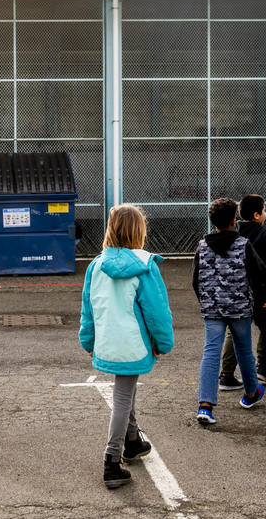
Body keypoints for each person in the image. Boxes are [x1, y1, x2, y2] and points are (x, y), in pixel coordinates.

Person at [79, 204, 174, 490]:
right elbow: (157, 311)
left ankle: (133, 441)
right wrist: (163, 343)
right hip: (135, 345)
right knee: (122, 397)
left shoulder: (95, 266)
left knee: (126, 389)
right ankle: (111, 461)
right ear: (139, 231)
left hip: (107, 343)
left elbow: (90, 307)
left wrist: (88, 340)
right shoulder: (145, 267)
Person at [192, 197, 266, 425]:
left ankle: (205, 406)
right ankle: (250, 393)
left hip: (212, 308)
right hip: (239, 308)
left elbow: (196, 279)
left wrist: (206, 301)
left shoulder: (202, 246)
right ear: (234, 219)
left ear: (212, 221)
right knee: (244, 351)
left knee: (211, 352)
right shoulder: (243, 244)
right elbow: (260, 275)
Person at [219, 194, 266, 389]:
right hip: (262, 292)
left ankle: (226, 374)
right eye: (264, 210)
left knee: (234, 331)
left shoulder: (232, 231)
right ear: (256, 215)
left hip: (237, 291)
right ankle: (262, 369)